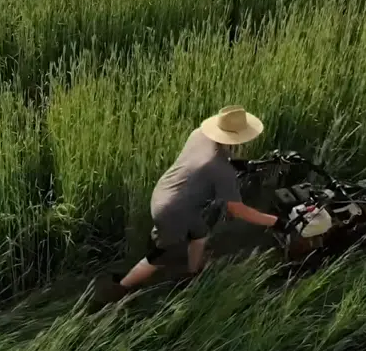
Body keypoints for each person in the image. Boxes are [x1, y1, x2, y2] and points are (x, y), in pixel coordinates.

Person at [110, 105, 291, 297]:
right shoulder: (221, 170)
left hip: (166, 191)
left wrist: (240, 165)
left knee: (200, 234)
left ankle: (192, 273)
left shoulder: (199, 135)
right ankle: (120, 289)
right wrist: (277, 222)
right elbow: (238, 210)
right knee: (161, 255)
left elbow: (206, 162)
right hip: (173, 211)